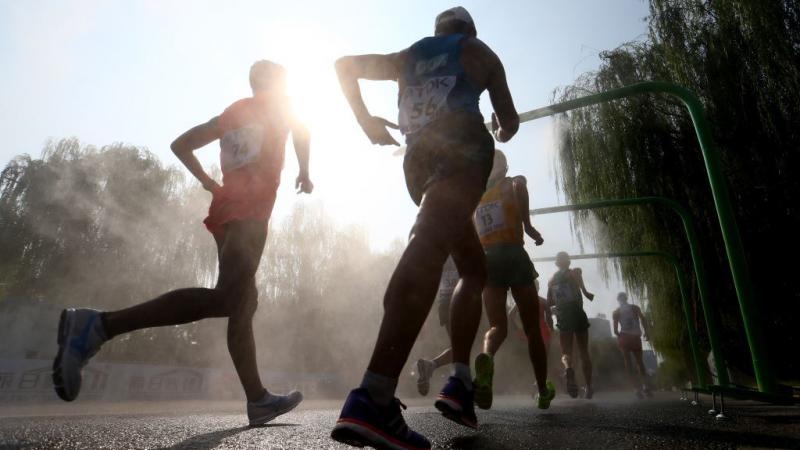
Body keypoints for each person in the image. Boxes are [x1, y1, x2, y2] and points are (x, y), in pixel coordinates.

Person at [52, 61, 313, 426]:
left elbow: (181, 145)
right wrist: (304, 170)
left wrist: (209, 182)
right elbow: (302, 131)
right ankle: (99, 326)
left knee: (242, 303)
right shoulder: (279, 107)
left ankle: (257, 399)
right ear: (275, 83)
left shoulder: (232, 114)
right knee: (229, 299)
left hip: (226, 211)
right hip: (250, 212)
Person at [330, 6, 520, 449]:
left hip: (418, 164)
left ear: (436, 32)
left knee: (474, 268)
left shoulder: (407, 56)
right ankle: (373, 396)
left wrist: (366, 121)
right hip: (462, 151)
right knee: (430, 241)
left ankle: (459, 382)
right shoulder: (480, 52)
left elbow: (344, 67)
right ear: (469, 30)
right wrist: (502, 125)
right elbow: (508, 123)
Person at [471, 150, 555, 411]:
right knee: (532, 329)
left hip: (488, 260)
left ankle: (485, 357)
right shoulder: (513, 181)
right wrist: (528, 227)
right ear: (505, 167)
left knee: (497, 326)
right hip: (514, 254)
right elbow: (521, 186)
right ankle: (542, 390)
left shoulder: (477, 196)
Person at [546, 252, 596, 399]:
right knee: (583, 351)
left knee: (566, 352)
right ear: (568, 262)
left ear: (556, 264)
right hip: (577, 312)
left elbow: (550, 303)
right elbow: (584, 291)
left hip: (563, 315)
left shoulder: (551, 281)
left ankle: (568, 368)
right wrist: (586, 293)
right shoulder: (574, 272)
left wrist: (557, 306)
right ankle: (588, 386)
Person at [415, 257, 458, 396]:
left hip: (444, 303)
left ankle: (431, 366)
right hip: (460, 300)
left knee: (459, 347)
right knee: (462, 347)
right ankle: (460, 389)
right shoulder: (463, 244)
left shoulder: (441, 252)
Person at [612, 292, 653, 399]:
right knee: (640, 362)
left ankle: (635, 388)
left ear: (618, 300)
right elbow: (643, 319)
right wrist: (646, 332)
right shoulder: (635, 308)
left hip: (624, 337)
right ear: (626, 298)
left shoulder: (616, 312)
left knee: (628, 363)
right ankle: (645, 387)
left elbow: (615, 330)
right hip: (635, 337)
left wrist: (620, 336)